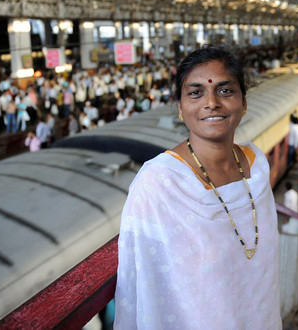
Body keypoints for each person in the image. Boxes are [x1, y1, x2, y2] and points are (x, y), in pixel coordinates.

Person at [115, 47, 281, 329]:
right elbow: (141, 279)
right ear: (180, 108)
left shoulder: (257, 167)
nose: (211, 103)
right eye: (195, 93)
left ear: (244, 102)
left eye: (225, 91)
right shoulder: (159, 182)